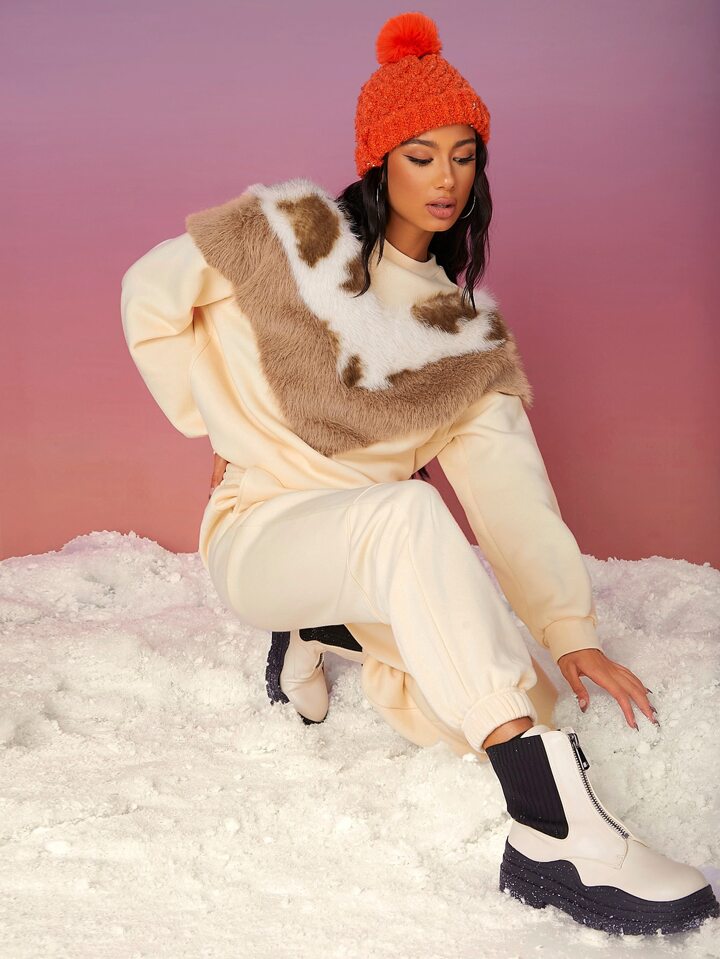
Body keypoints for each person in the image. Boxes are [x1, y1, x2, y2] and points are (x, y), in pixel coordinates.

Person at [120, 10, 718, 937]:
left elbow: (512, 497)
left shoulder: (463, 333)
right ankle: (552, 831)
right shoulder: (290, 233)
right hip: (259, 530)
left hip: (372, 548)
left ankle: (328, 628)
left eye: (465, 156)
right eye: (422, 154)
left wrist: (568, 632)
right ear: (379, 159)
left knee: (522, 689)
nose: (446, 179)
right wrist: (217, 430)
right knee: (408, 513)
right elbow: (148, 294)